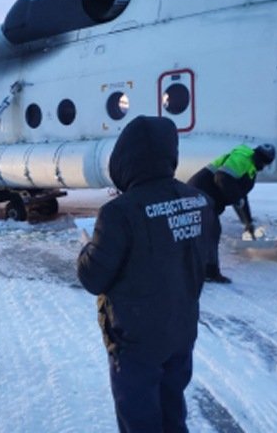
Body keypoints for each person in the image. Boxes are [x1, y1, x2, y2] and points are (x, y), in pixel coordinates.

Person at [77, 116, 219, 433]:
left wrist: (88, 248)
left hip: (135, 343)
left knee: (139, 422)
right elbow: (204, 256)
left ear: (124, 159)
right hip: (181, 333)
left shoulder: (118, 212)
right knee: (172, 412)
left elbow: (93, 278)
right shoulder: (201, 200)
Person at [187, 143, 276, 283]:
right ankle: (208, 272)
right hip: (199, 194)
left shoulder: (250, 168)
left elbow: (240, 195)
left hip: (207, 197)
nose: (263, 166)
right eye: (263, 162)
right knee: (210, 231)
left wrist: (248, 222)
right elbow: (221, 178)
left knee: (208, 231)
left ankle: (203, 270)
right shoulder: (243, 158)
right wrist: (237, 198)